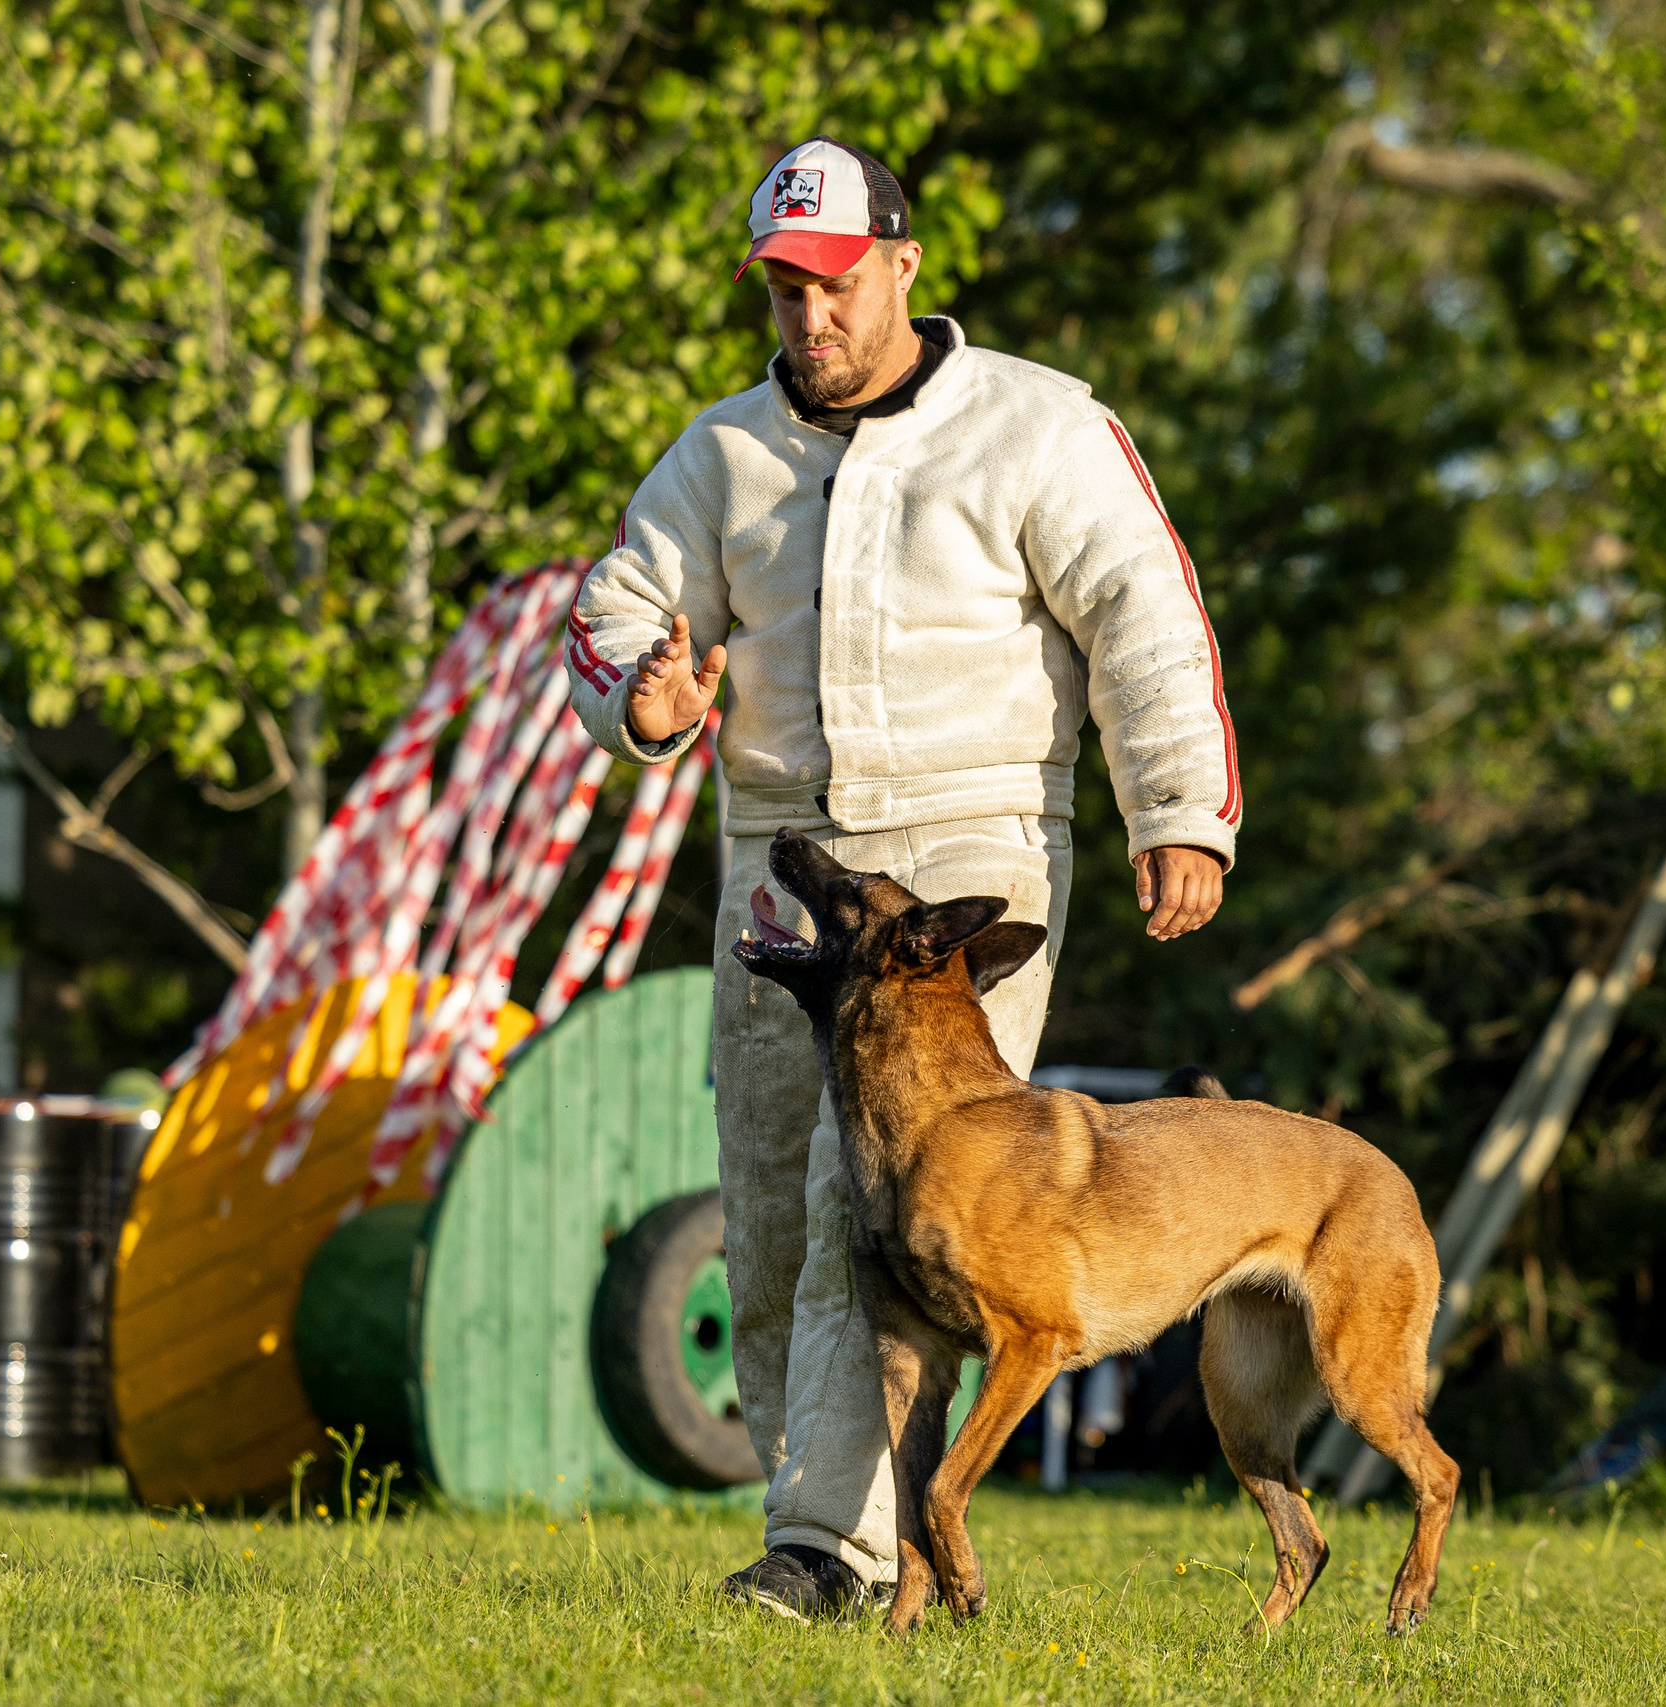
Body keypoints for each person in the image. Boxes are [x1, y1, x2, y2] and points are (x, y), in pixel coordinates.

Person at [564, 136, 1239, 1620]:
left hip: (965, 865)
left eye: (837, 284)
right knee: (774, 1217)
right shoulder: (719, 453)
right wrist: (646, 700)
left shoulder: (1041, 427)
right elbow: (612, 607)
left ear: (904, 268)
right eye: (785, 291)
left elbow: (1144, 610)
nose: (811, 319)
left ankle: (830, 1551)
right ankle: (829, 1535)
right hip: (781, 864)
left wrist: (1178, 808)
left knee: (878, 1210)